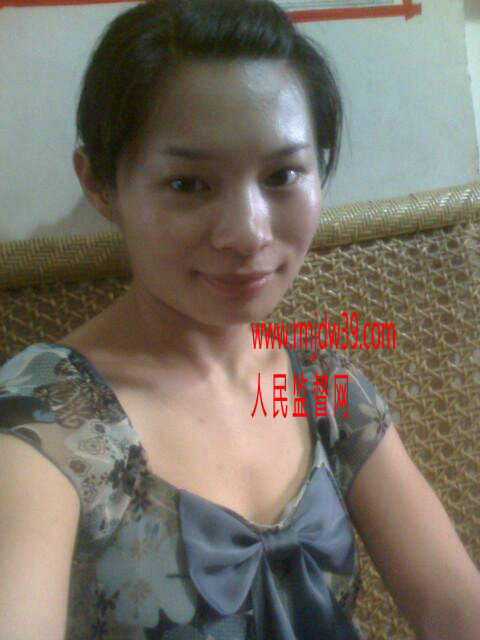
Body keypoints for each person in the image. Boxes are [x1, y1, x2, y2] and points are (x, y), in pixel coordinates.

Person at [1, 0, 479, 638]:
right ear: (100, 185)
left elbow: (454, 606)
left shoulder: (319, 382)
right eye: (188, 185)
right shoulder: (48, 421)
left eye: (282, 175)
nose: (248, 233)